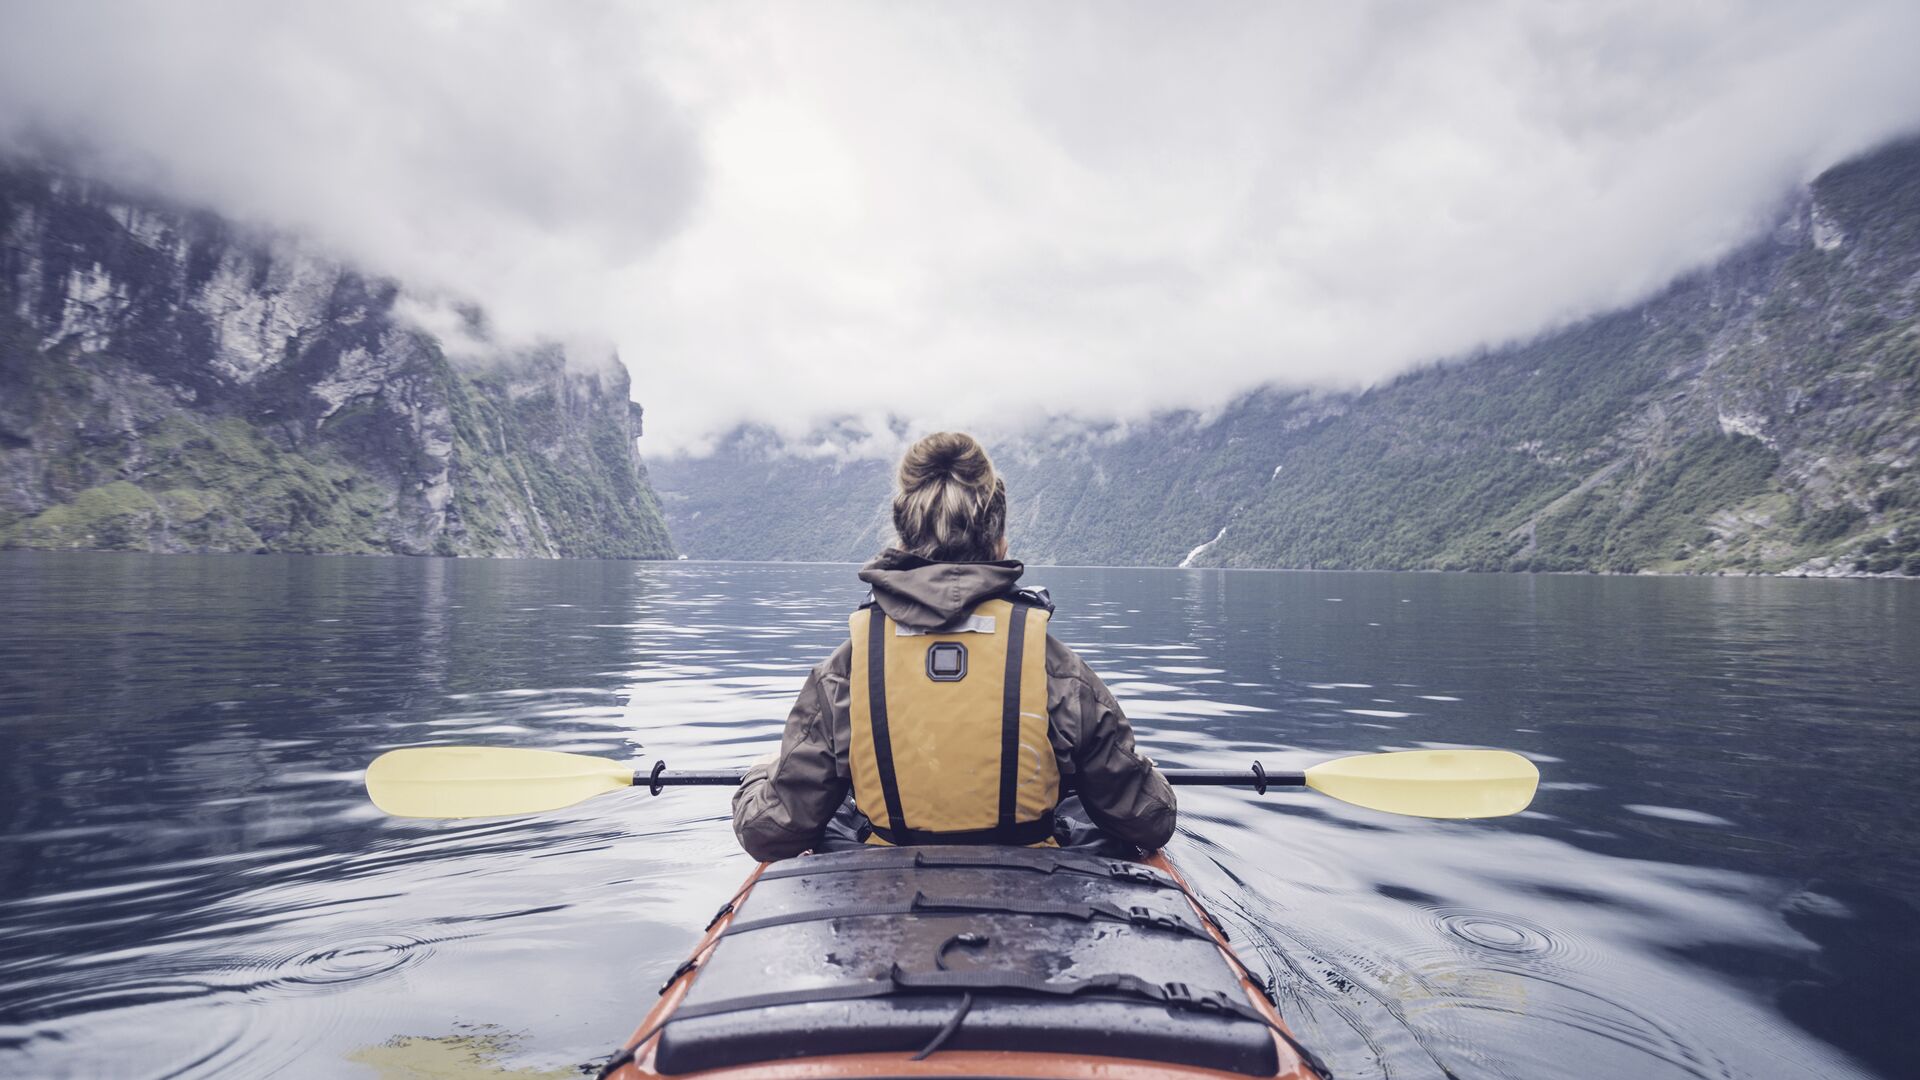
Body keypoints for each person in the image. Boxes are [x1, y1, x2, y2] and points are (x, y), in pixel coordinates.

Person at [732, 431, 1175, 861]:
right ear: (999, 544)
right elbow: (1148, 822)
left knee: (836, 814)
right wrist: (1144, 771)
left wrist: (760, 774)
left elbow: (770, 832)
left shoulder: (845, 672)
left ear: (903, 543)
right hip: (1030, 889)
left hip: (889, 886)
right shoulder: (1054, 669)